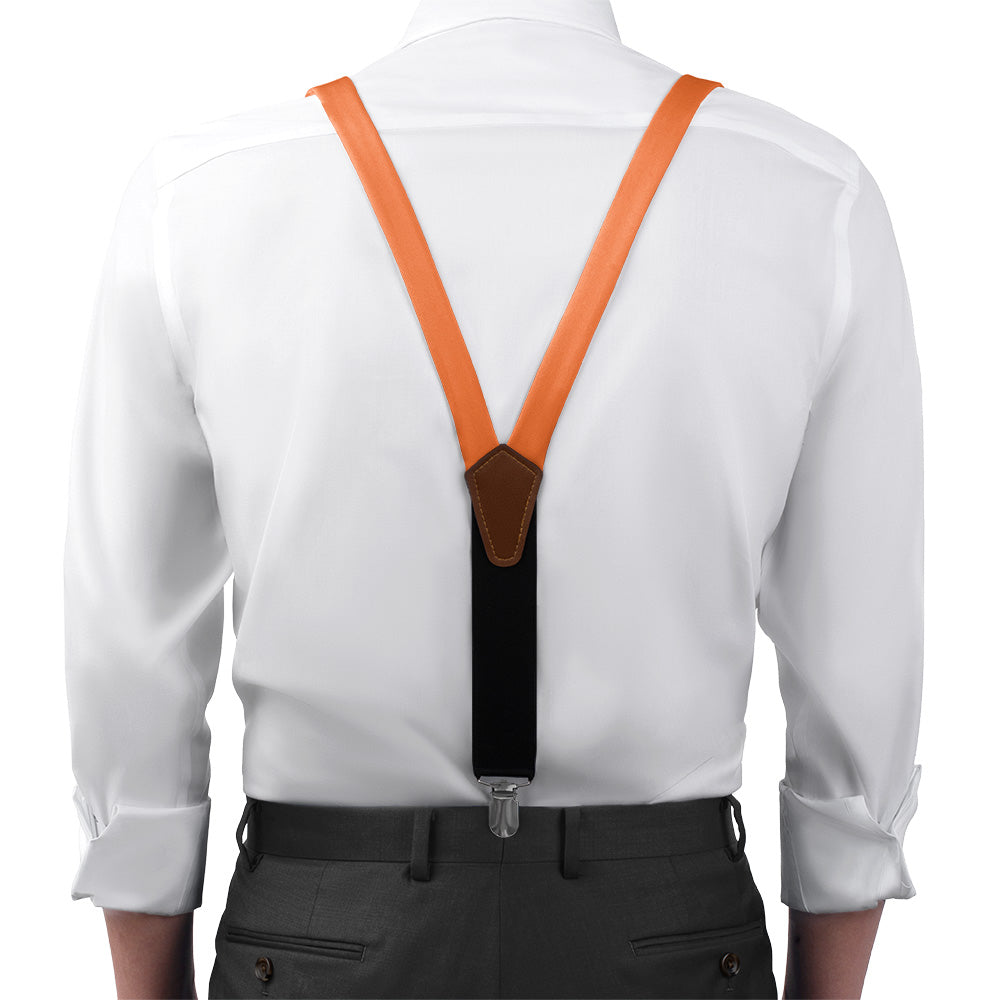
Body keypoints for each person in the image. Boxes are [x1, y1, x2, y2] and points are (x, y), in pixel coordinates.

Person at [63, 1, 924, 998]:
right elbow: (859, 663)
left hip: (319, 928)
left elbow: (127, 653)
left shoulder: (200, 193)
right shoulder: (806, 191)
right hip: (667, 929)